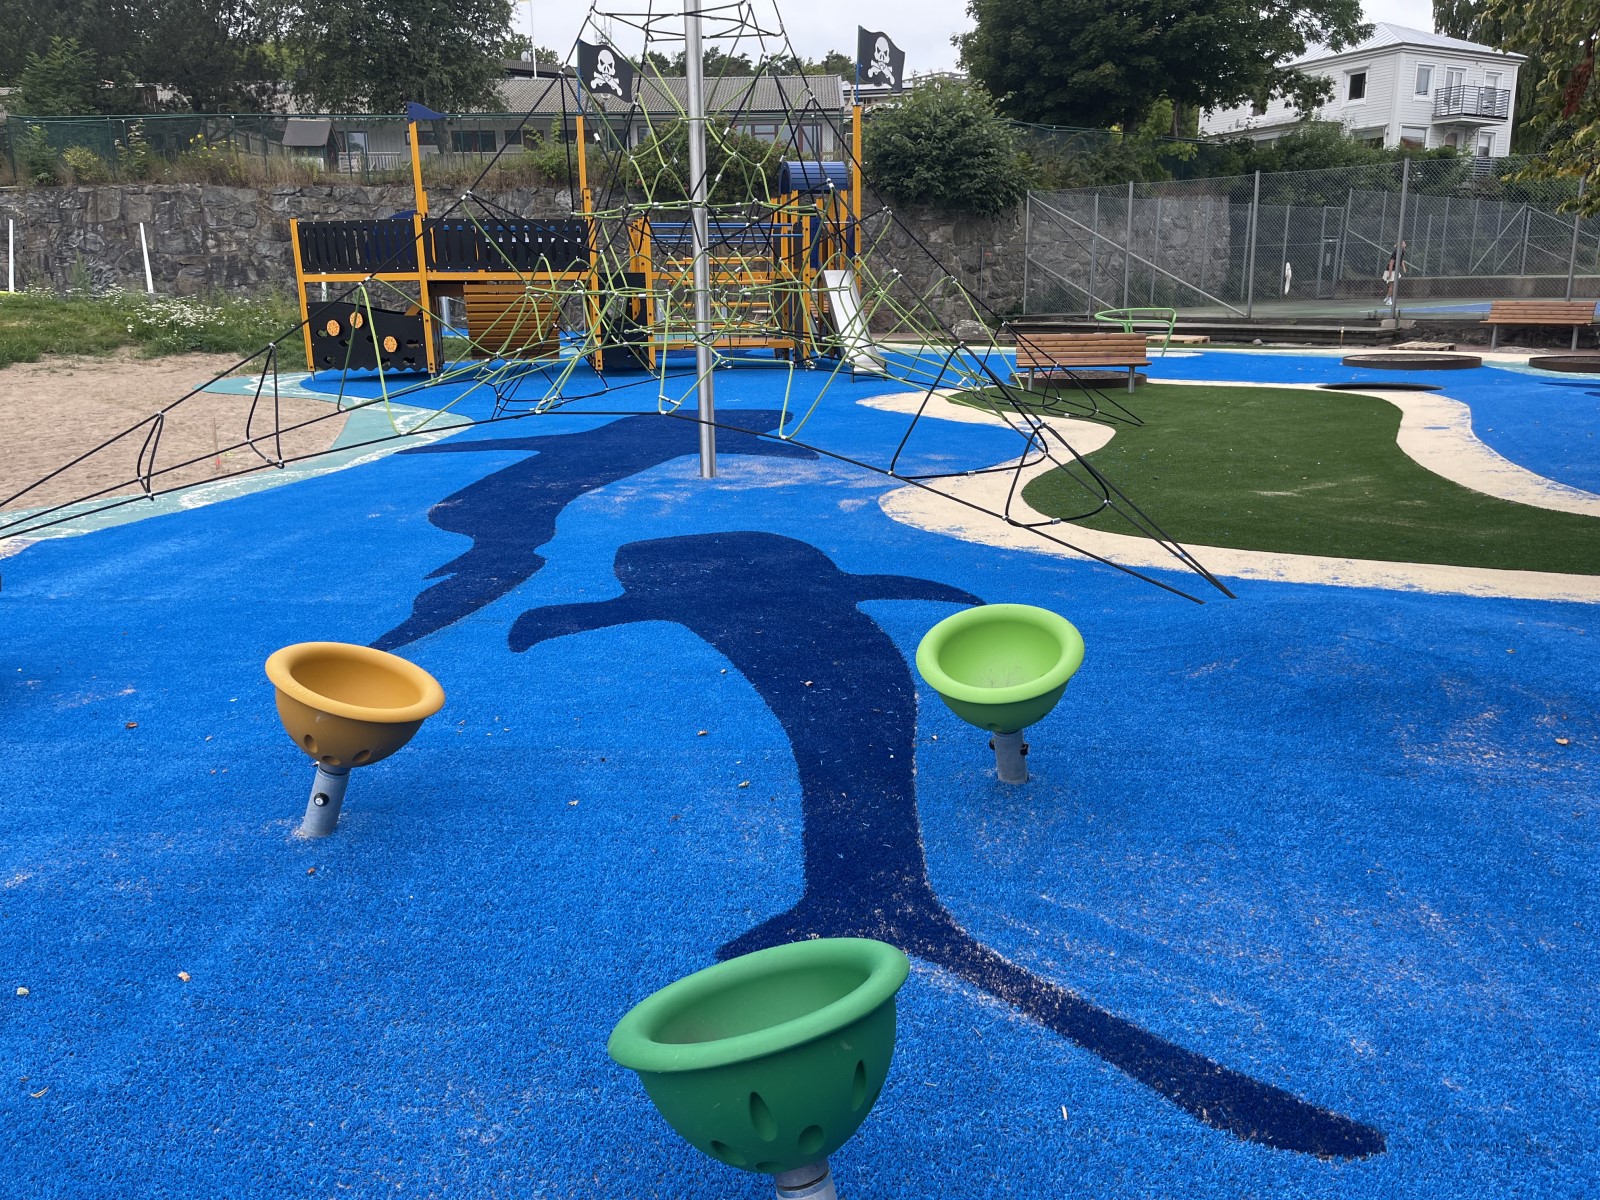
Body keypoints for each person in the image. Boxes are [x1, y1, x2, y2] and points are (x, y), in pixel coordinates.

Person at [1382, 242, 1410, 306]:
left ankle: (1387, 297)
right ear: (1401, 245)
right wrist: (1390, 274)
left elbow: (1401, 260)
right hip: (1391, 270)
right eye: (1404, 244)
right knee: (1392, 285)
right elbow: (1391, 263)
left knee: (1391, 285)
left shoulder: (1402, 251)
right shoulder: (1395, 252)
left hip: (1395, 270)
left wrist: (1404, 268)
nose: (1405, 245)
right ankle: (1389, 300)